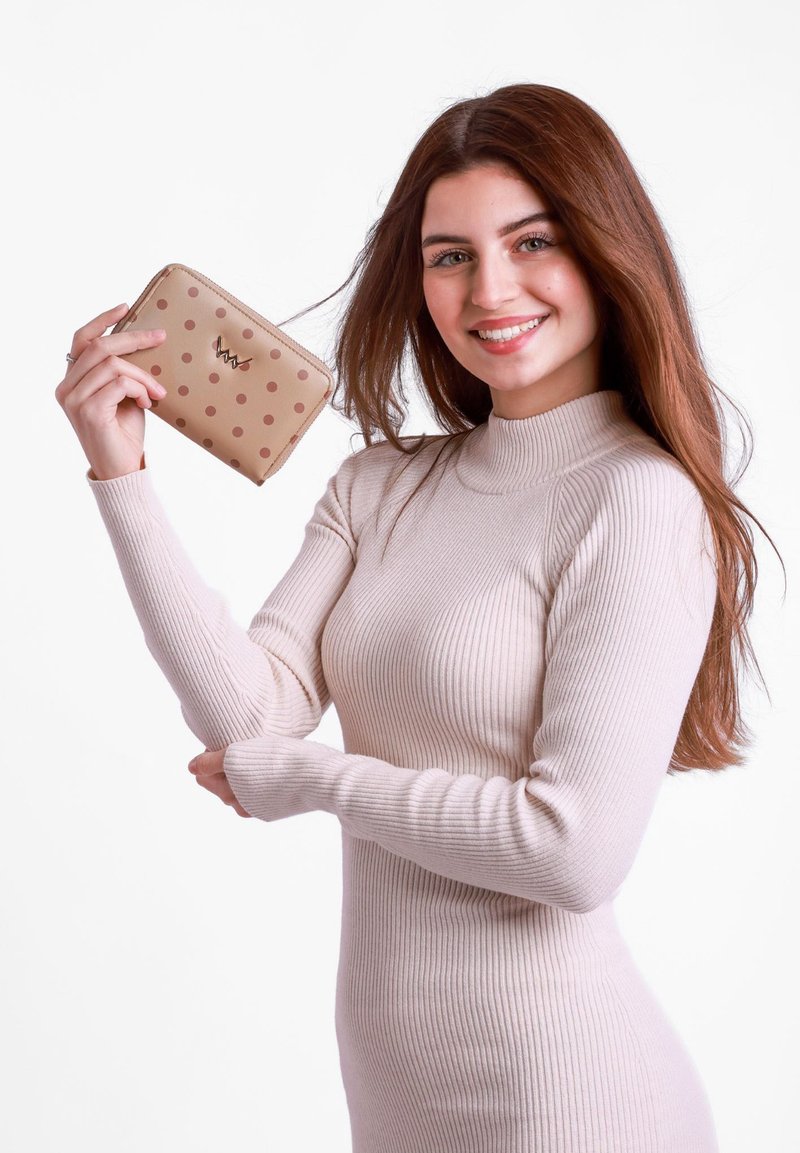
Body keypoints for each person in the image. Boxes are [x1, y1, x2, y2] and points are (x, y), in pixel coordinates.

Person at [55, 83, 779, 1152]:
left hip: (567, 1104)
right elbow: (244, 715)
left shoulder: (634, 497)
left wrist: (310, 780)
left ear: (602, 250)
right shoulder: (380, 486)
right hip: (399, 1102)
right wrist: (121, 475)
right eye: (448, 255)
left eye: (531, 241)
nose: (490, 288)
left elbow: (571, 850)